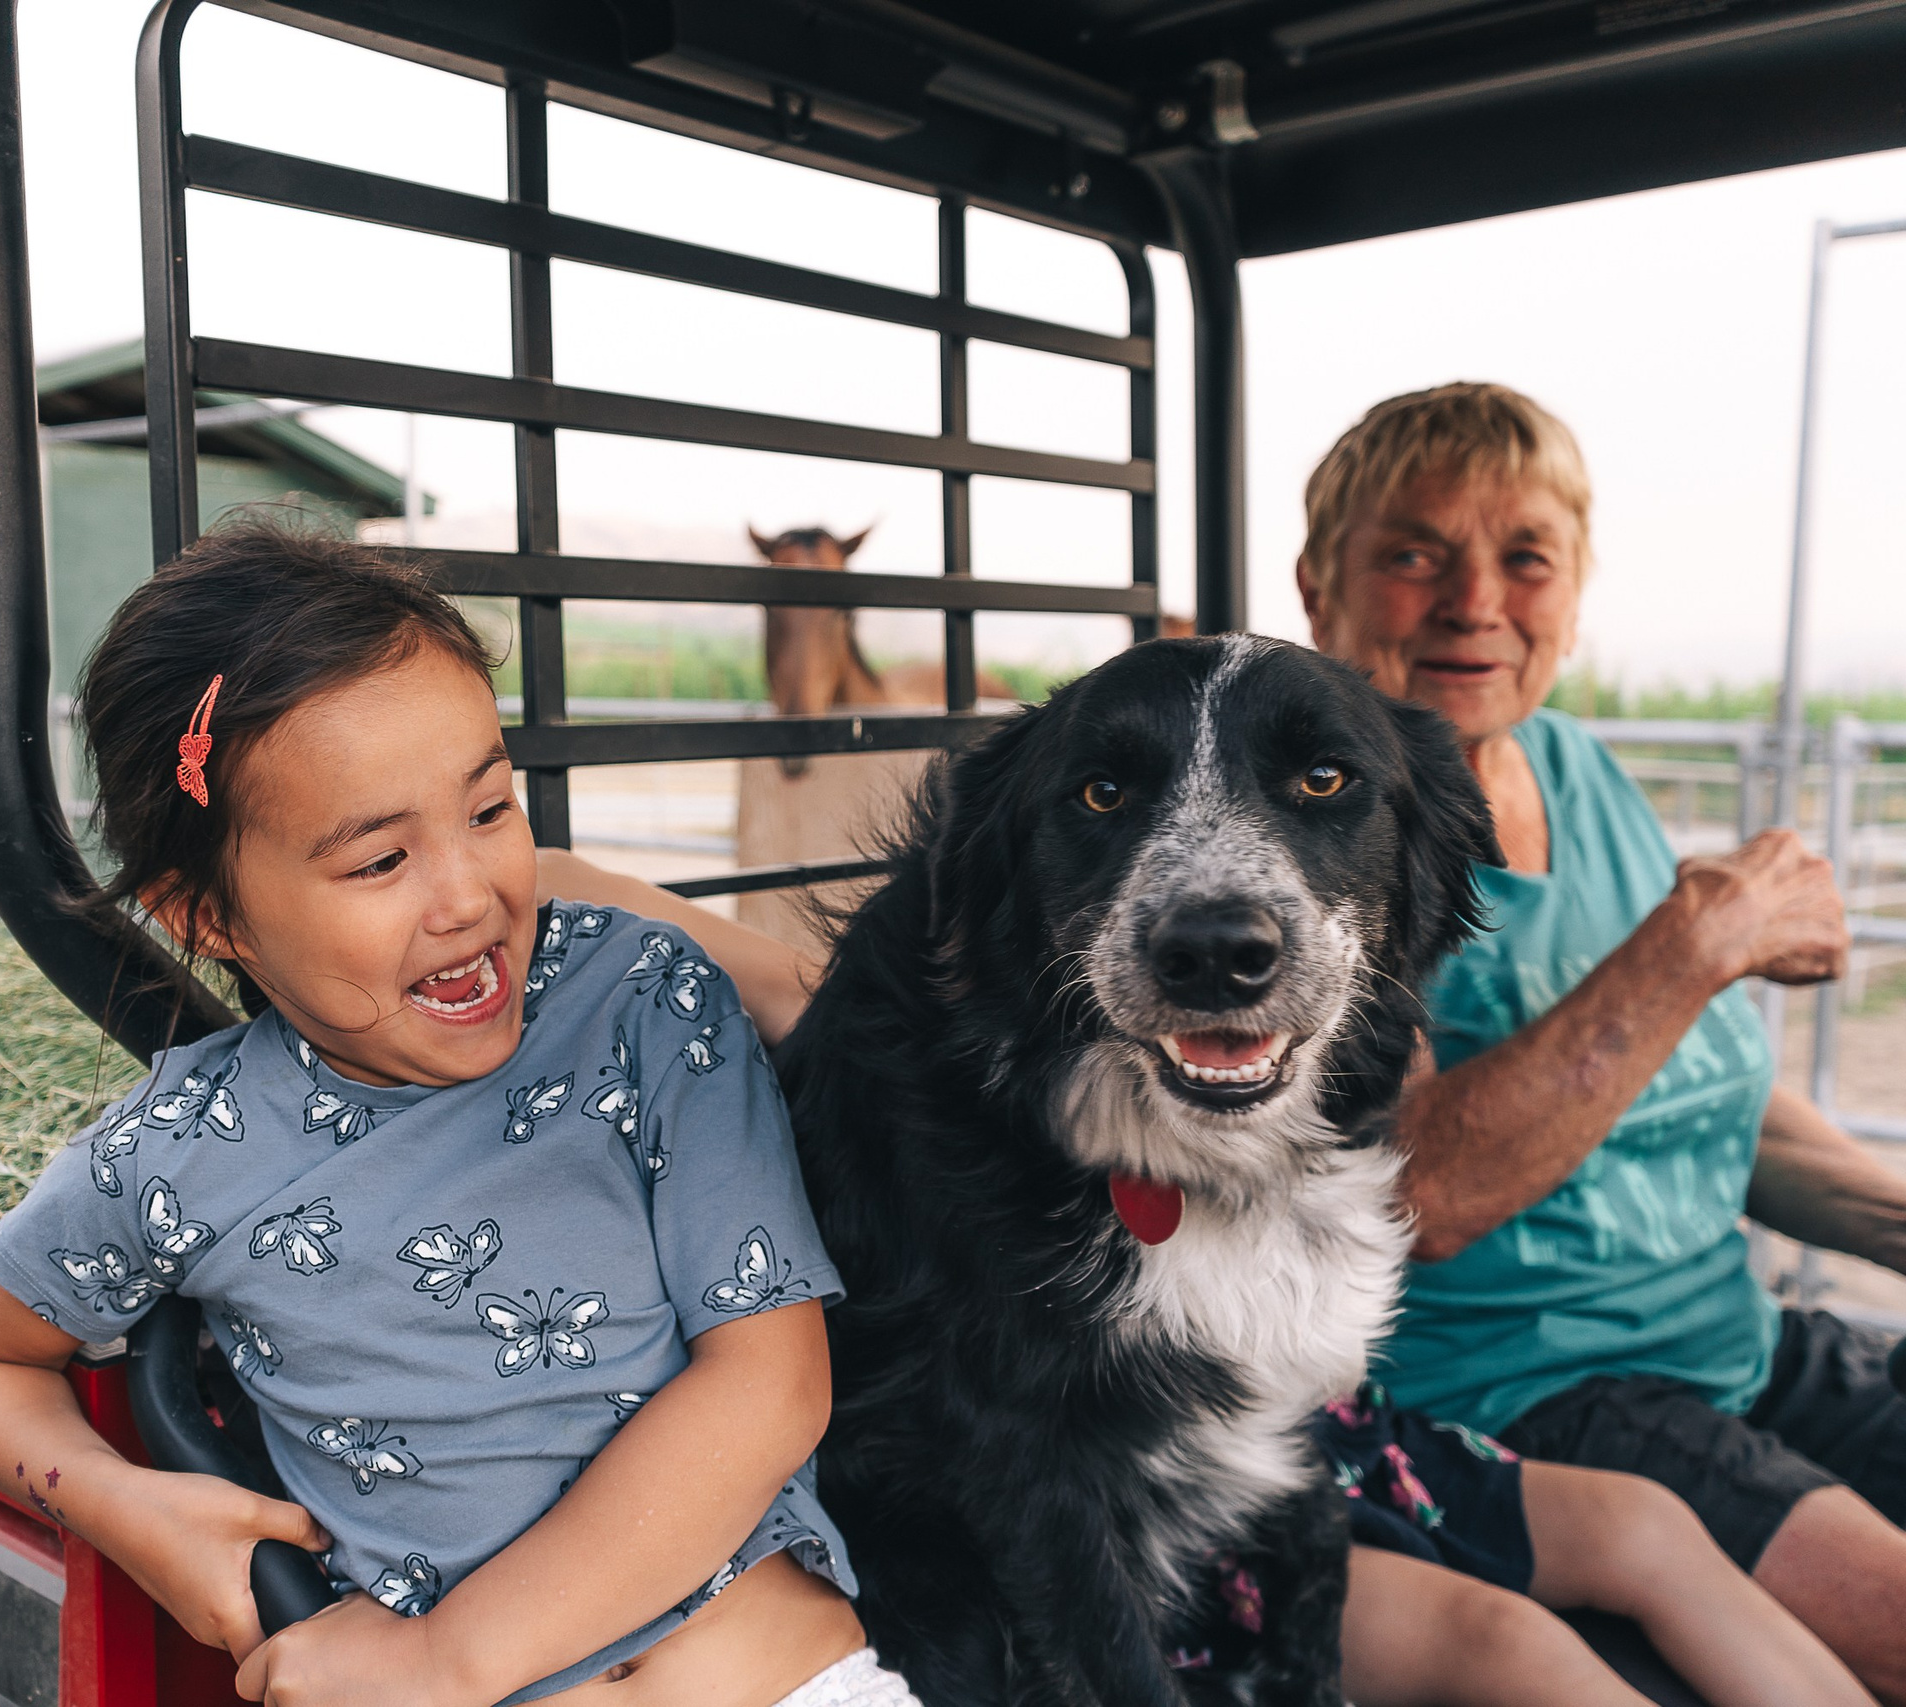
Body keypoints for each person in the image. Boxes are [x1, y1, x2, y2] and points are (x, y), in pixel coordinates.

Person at [0, 521, 907, 1707]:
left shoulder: (637, 1003)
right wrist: (131, 1509)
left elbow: (770, 1384)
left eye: (489, 811)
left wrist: (446, 1657)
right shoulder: (177, 1153)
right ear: (207, 918)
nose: (466, 896)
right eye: (380, 862)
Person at [538, 847, 1874, 1707]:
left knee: (1641, 1522)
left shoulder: (1336, 912)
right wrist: (517, 869)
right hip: (1133, 1482)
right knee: (1502, 1635)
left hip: (1297, 1423)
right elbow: (773, 971)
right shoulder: (933, 1038)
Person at [1291, 382, 1906, 1701]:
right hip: (1538, 1389)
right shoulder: (1324, 836)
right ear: (1317, 587)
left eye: (1525, 557)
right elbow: (1417, 1192)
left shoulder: (1574, 765)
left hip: (1739, 1339)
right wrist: (1689, 942)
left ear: (1574, 590)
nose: (1474, 599)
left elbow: (1694, 1087)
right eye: (1412, 554)